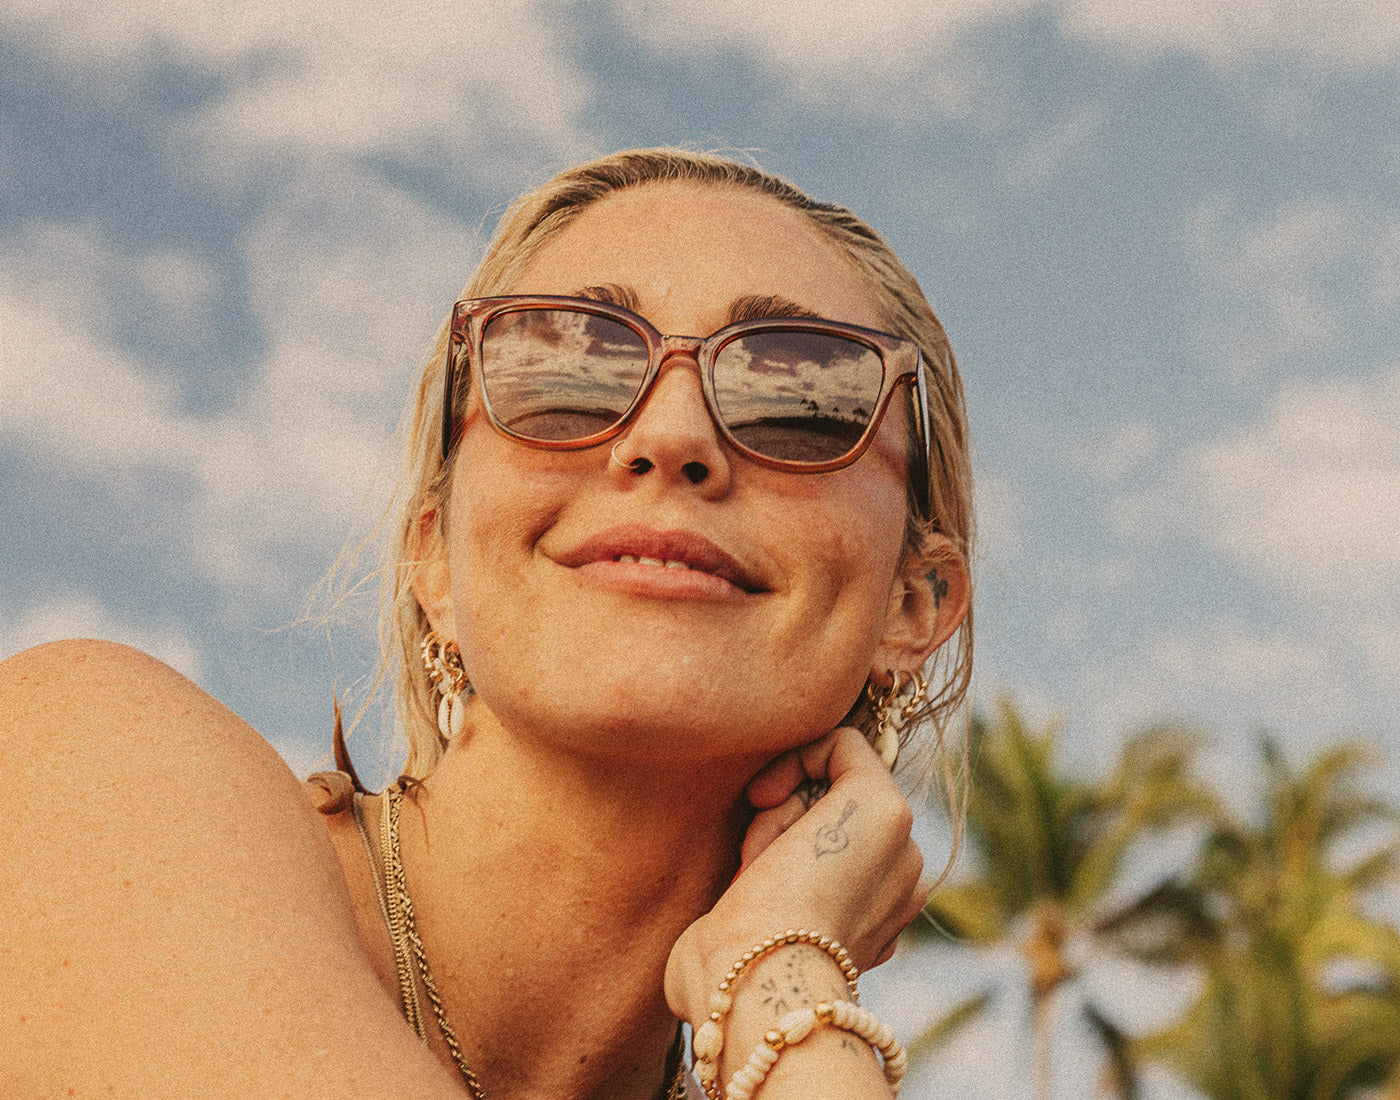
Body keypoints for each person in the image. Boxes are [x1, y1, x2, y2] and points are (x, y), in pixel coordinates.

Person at [0, 148, 973, 1099]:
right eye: (565, 365)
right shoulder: (86, 767)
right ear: (434, 559)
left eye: (793, 390)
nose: (670, 437)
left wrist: (777, 977)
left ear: (911, 603)